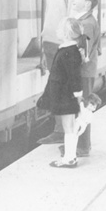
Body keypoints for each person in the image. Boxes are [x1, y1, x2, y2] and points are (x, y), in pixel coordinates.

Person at [37, 0, 77, 144]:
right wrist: (43, 45)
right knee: (55, 88)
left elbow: (71, 20)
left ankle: (61, 131)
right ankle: (59, 130)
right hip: (50, 44)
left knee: (61, 89)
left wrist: (67, 48)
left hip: (62, 46)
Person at [36, 17, 85, 169]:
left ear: (66, 33)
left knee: (68, 127)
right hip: (66, 94)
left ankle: (69, 159)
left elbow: (74, 76)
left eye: (59, 29)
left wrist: (78, 96)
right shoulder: (68, 50)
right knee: (69, 126)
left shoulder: (69, 52)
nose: (56, 30)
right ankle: (70, 157)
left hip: (66, 95)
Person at [70, 0, 100, 157]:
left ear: (87, 4)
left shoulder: (86, 24)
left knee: (83, 110)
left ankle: (82, 147)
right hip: (84, 71)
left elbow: (84, 52)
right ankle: (80, 145)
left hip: (84, 72)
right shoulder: (85, 20)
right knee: (81, 108)